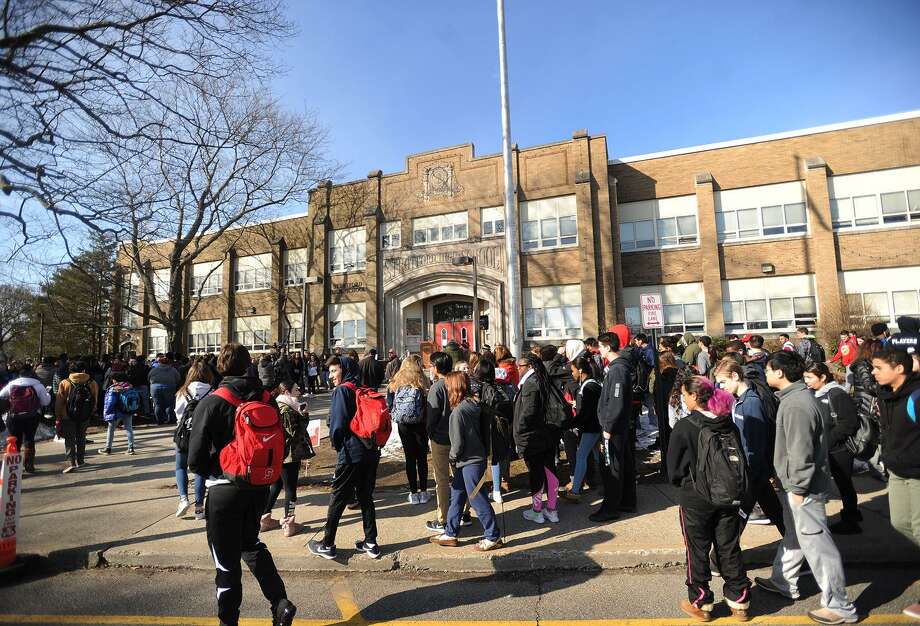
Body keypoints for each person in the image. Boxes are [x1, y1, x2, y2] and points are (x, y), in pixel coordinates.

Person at [188, 343, 296, 626]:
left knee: (226, 563)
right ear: (248, 365)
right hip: (258, 486)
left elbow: (195, 459)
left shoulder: (212, 402)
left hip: (223, 490)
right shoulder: (265, 399)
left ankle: (228, 621)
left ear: (220, 367)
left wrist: (216, 466)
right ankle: (280, 602)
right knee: (251, 544)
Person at [755, 351, 858, 625]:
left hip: (804, 488)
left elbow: (801, 451)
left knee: (817, 544)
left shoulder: (796, 405)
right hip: (797, 485)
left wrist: (798, 487)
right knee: (796, 535)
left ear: (779, 372)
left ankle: (840, 606)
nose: (765, 375)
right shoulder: (794, 399)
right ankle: (783, 581)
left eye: (767, 370)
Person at [667, 376, 751, 622]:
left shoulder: (685, 426)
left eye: (685, 394)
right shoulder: (728, 423)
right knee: (729, 546)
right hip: (728, 494)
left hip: (696, 497)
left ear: (695, 397)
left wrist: (682, 484)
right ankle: (740, 600)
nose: (683, 398)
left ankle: (701, 602)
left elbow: (673, 469)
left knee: (697, 550)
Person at [308, 356, 382, 560]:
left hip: (351, 454)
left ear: (344, 369)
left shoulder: (342, 390)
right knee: (366, 497)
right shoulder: (362, 387)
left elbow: (337, 426)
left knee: (338, 498)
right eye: (329, 372)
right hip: (371, 451)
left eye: (334, 371)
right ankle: (371, 541)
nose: (330, 376)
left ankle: (327, 543)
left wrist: (337, 445)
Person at [871, 348, 920, 620]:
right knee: (900, 522)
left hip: (918, 471)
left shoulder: (916, 394)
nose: (874, 372)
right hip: (898, 470)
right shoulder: (886, 394)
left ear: (899, 369)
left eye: (879, 367)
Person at [430, 372, 503, 551]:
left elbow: (457, 445)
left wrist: (452, 459)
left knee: (477, 499)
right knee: (457, 495)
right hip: (473, 460)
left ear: (454, 388)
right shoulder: (473, 405)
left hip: (468, 462)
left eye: (448, 386)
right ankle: (451, 532)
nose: (446, 389)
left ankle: (493, 536)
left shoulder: (457, 413)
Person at [712, 358, 784, 534]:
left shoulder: (750, 402)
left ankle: (721, 559)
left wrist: (746, 471)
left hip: (751, 470)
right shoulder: (740, 400)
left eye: (723, 382)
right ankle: (796, 547)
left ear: (735, 376)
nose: (721, 387)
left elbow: (755, 442)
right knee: (775, 512)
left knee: (736, 522)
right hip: (752, 471)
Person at [803, 363, 861, 534]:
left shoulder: (837, 394)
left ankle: (851, 520)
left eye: (810, 377)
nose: (806, 381)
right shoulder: (813, 393)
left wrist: (827, 441)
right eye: (805, 377)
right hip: (824, 448)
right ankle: (852, 515)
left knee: (844, 484)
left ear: (822, 377)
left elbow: (849, 423)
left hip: (839, 449)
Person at [591, 331, 635, 523]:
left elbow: (616, 401)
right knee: (622, 463)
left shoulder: (617, 370)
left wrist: (607, 427)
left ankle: (610, 508)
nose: (599, 350)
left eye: (600, 347)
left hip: (614, 428)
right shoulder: (617, 368)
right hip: (617, 425)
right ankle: (626, 501)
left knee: (611, 468)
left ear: (608, 347)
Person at [513, 353, 559, 524]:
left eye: (521, 365)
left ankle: (537, 511)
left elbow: (528, 412)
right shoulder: (544, 379)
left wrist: (520, 430)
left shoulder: (531, 384)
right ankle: (552, 509)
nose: (518, 368)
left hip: (535, 436)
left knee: (537, 474)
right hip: (549, 434)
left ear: (530, 366)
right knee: (550, 471)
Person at [262, 381, 310, 537]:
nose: (299, 391)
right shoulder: (286, 409)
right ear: (287, 392)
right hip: (289, 455)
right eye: (296, 389)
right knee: (290, 489)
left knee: (275, 485)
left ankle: (264, 518)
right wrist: (303, 415)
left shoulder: (276, 405)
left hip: (277, 453)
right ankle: (289, 524)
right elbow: (294, 433)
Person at [174, 360, 216, 520]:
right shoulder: (212, 392)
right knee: (200, 470)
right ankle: (199, 507)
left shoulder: (182, 392)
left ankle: (183, 499)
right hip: (203, 435)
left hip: (184, 435)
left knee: (180, 467)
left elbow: (178, 414)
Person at [387, 357, 430, 505]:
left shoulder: (396, 380)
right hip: (420, 424)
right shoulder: (422, 380)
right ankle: (424, 491)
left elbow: (390, 403)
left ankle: (413, 493)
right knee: (422, 458)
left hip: (403, 425)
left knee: (409, 458)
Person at [561, 355, 602, 502]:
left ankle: (576, 489)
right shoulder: (591, 384)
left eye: (572, 371)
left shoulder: (589, 386)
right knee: (598, 457)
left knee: (581, 456)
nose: (572, 374)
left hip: (591, 427)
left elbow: (586, 412)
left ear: (580, 370)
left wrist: (570, 423)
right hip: (593, 427)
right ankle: (605, 484)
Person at [0, 362, 51, 473]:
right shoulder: (38, 385)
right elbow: (46, 402)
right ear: (31, 373)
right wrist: (48, 395)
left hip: (14, 416)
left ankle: (14, 468)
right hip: (32, 416)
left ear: (20, 374)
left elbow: (1, 395)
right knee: (29, 439)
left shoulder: (12, 384)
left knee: (15, 441)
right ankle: (29, 465)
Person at [424, 351, 454, 533]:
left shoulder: (437, 388)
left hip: (441, 439)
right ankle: (463, 512)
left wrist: (429, 433)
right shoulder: (457, 383)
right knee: (460, 477)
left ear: (436, 367)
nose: (429, 368)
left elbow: (432, 415)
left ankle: (443, 517)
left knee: (442, 480)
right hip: (458, 437)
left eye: (431, 365)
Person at [54, 361, 98, 473]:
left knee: (69, 439)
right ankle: (81, 460)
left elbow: (59, 402)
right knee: (81, 436)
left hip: (67, 415)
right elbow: (94, 400)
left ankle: (71, 462)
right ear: (84, 370)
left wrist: (58, 416)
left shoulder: (65, 382)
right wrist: (91, 412)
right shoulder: (92, 383)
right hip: (85, 415)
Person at [653, 351, 680, 477]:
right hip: (676, 411)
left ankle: (668, 466)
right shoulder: (679, 373)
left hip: (665, 412)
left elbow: (659, 394)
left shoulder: (662, 376)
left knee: (667, 441)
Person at [100, 372, 138, 455]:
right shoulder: (129, 386)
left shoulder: (114, 388)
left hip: (116, 411)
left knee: (111, 429)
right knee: (129, 429)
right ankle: (131, 448)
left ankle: (108, 448)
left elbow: (110, 402)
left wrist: (107, 412)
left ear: (115, 379)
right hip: (128, 410)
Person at [148, 356, 181, 425]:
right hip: (169, 387)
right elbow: (178, 378)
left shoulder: (154, 370)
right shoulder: (173, 369)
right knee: (169, 404)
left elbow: (149, 378)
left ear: (159, 362)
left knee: (157, 404)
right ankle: (170, 419)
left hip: (155, 388)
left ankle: (159, 420)